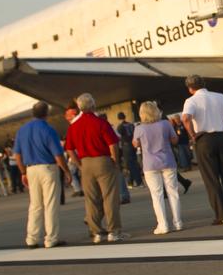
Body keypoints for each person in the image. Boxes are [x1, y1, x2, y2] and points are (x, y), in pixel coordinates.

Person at [64, 93, 127, 243]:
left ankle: (96, 232)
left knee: (91, 199)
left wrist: (78, 164)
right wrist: (115, 161)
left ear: (79, 107)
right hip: (103, 161)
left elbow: (69, 148)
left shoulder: (74, 126)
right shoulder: (101, 123)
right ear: (93, 105)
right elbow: (112, 144)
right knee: (110, 197)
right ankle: (114, 231)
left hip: (85, 163)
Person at [181, 75, 223, 225]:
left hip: (204, 139)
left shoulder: (191, 101)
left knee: (211, 179)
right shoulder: (219, 97)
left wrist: (192, 135)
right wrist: (219, 120)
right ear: (204, 84)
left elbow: (186, 118)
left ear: (190, 88)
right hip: (222, 136)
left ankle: (221, 216)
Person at [13, 101, 71, 248]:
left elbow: (17, 155)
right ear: (47, 113)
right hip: (48, 168)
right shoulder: (48, 130)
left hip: (30, 169)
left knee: (35, 205)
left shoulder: (22, 130)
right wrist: (66, 171)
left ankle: (32, 238)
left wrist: (22, 172)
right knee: (50, 204)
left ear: (33, 113)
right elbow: (58, 154)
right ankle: (51, 239)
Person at [133, 101, 184, 235]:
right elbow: (174, 140)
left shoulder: (139, 128)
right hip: (168, 161)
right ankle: (178, 222)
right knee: (173, 192)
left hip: (150, 164)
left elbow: (135, 144)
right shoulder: (165, 124)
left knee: (157, 195)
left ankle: (163, 225)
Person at [115, 112, 144, 189]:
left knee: (130, 164)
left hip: (126, 146)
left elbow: (119, 136)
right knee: (132, 163)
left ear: (118, 118)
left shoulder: (120, 127)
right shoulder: (131, 125)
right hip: (132, 145)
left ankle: (139, 181)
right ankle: (130, 182)